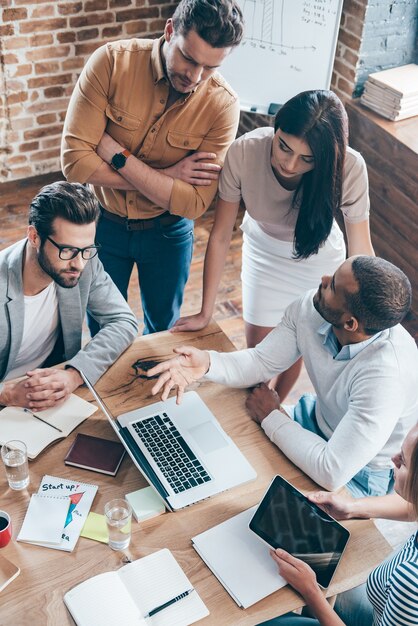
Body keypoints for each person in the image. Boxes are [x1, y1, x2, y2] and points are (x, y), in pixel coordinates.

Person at [147, 256, 418, 497]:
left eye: (333, 285)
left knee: (259, 511)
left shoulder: (385, 378)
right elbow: (262, 360)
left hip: (358, 473)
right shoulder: (313, 306)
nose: (323, 280)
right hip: (313, 419)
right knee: (220, 460)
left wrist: (271, 416)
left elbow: (332, 472)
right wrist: (207, 362)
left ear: (350, 324)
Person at [172, 90, 374, 399]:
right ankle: (258, 397)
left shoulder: (349, 167)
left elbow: (360, 250)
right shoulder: (245, 151)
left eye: (307, 159)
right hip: (263, 250)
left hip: (318, 260)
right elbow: (221, 235)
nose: (290, 164)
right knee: (259, 348)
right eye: (283, 147)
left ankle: (275, 401)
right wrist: (204, 311)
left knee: (299, 341)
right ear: (276, 128)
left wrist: (368, 317)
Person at [61, 0, 244, 335]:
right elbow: (74, 163)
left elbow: (193, 203)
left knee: (162, 329)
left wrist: (114, 152)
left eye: (210, 68)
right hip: (102, 225)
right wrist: (168, 178)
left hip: (168, 234)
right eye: (189, 58)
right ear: (170, 30)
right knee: (102, 325)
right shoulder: (111, 63)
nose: (195, 76)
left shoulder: (223, 106)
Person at [257, 422, 418, 626]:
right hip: (384, 610)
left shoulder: (410, 582)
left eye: (402, 461)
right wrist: (352, 507)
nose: (392, 459)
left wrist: (311, 591)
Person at [0, 181, 138, 410]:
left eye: (87, 250)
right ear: (34, 237)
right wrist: (7, 395)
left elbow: (123, 322)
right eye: (67, 251)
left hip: (55, 393)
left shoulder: (83, 261)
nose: (79, 264)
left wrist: (74, 374)